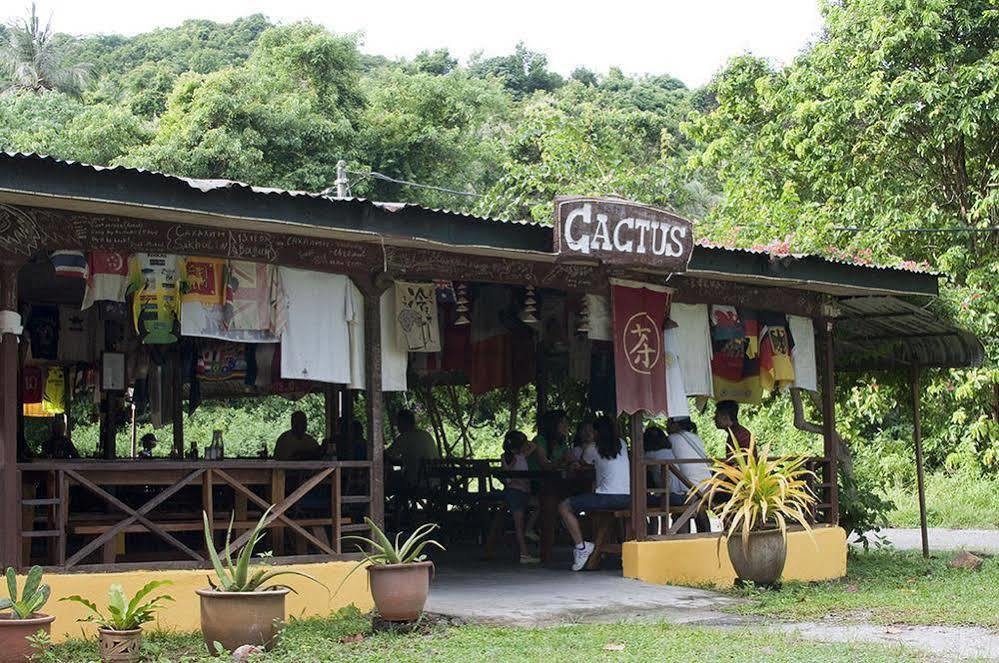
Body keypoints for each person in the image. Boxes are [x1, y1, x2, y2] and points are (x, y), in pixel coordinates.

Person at [558, 415, 630, 571]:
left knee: (564, 506)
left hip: (607, 498)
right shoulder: (622, 444)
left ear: (596, 432)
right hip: (628, 498)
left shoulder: (592, 448)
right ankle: (592, 549)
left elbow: (581, 465)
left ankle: (581, 547)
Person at [665, 417, 712, 534]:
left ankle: (681, 542)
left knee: (680, 511)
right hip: (709, 487)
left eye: (669, 422)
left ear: (676, 424)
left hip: (692, 490)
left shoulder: (671, 439)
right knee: (699, 508)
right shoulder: (696, 438)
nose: (666, 425)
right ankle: (707, 538)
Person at [500, 430, 540, 564]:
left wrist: (525, 443)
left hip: (525, 492)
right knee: (519, 525)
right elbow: (507, 476)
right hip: (515, 493)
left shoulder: (522, 455)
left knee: (540, 505)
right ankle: (524, 554)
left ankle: (529, 529)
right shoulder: (509, 457)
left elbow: (534, 446)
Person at [386, 409, 439, 486]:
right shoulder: (426, 435)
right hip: (435, 481)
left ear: (404, 422)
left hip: (417, 482)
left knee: (387, 480)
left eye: (398, 423)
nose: (397, 426)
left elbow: (387, 455)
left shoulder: (405, 437)